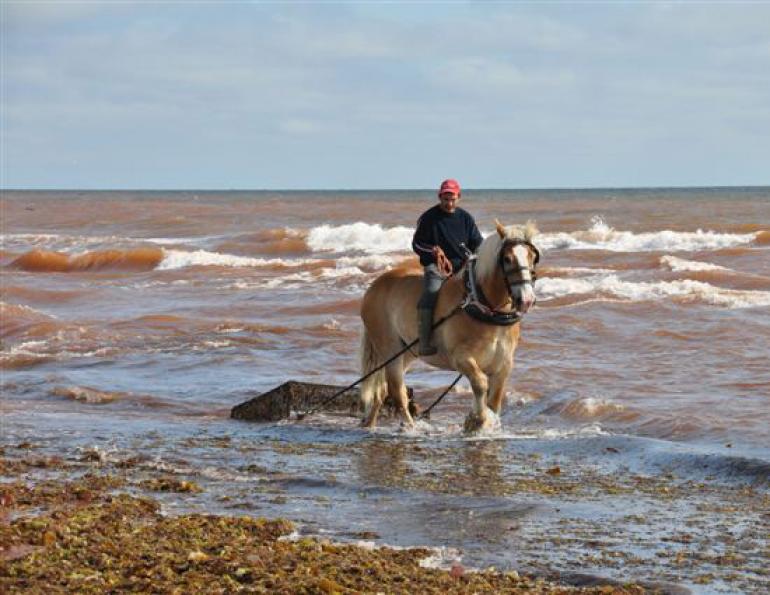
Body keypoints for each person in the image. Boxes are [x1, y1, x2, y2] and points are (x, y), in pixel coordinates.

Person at [412, 179, 483, 355]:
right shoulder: (428, 218)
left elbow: (477, 243)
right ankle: (424, 341)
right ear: (440, 197)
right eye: (445, 198)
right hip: (436, 266)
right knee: (431, 290)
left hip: (462, 266)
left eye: (452, 198)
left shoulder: (466, 218)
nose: (449, 203)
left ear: (459, 197)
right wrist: (433, 251)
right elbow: (417, 244)